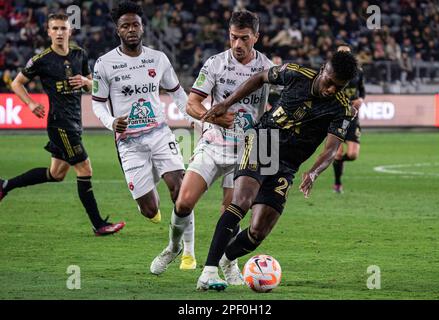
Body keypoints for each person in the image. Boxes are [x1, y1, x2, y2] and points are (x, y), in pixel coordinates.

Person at [197, 50, 358, 290]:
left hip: (288, 165)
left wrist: (313, 172)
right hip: (264, 140)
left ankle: (226, 260)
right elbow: (260, 77)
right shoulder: (295, 73)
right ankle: (208, 272)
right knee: (241, 201)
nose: (332, 89)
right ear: (323, 68)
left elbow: (331, 149)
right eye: (330, 82)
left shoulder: (342, 109)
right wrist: (226, 103)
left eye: (339, 86)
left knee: (258, 231)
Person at [150, 10, 273, 281]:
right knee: (183, 203)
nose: (237, 44)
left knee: (231, 211)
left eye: (244, 38)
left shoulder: (267, 67)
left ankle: (228, 264)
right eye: (233, 37)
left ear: (256, 37)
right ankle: (173, 247)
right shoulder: (215, 64)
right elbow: (192, 103)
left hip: (246, 151)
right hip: (213, 144)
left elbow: (275, 106)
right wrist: (214, 115)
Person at [0, 13, 125, 236]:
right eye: (55, 28)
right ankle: (99, 225)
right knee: (85, 168)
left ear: (70, 31)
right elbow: (17, 83)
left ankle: (5, 186)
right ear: (48, 32)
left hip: (75, 121)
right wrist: (29, 104)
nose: (59, 32)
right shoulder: (42, 60)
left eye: (63, 28)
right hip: (60, 125)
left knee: (56, 174)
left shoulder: (80, 54)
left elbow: (93, 86)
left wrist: (86, 82)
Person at [91, 2, 191, 239]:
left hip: (159, 133)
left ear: (143, 27)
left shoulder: (158, 58)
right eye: (125, 26)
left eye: (135, 24)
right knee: (150, 210)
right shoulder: (104, 63)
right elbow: (97, 103)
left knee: (180, 188)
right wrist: (112, 122)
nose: (131, 29)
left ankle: (180, 244)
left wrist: (194, 119)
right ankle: (148, 190)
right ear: (118, 30)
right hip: (129, 142)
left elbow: (177, 93)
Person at [332, 44, 365, 193]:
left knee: (352, 155)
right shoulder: (330, 72)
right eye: (341, 53)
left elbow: (362, 90)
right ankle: (338, 183)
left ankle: (337, 161)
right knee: (338, 152)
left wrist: (361, 100)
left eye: (346, 53)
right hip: (337, 116)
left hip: (352, 117)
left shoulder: (358, 72)